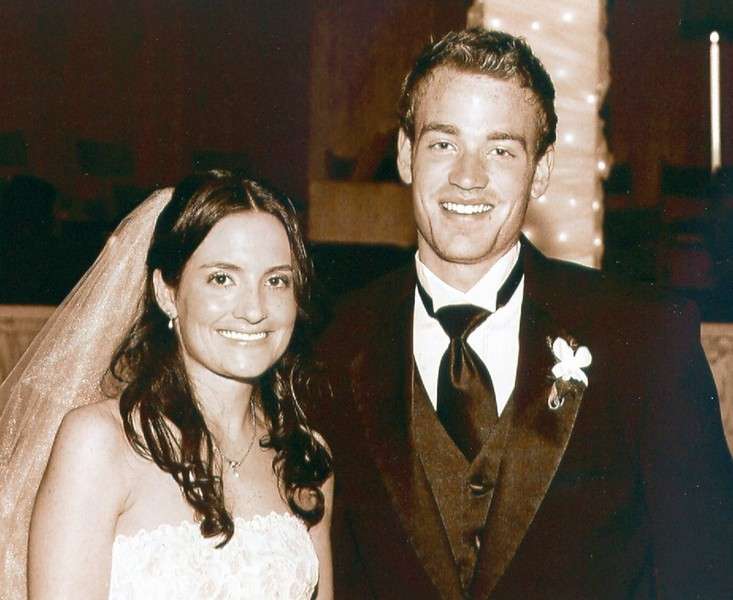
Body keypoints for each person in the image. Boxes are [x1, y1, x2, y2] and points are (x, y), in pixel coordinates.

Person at [312, 28, 733, 599]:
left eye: (501, 150)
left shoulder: (647, 338)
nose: (468, 177)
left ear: (541, 170)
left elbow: (708, 575)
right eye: (443, 144)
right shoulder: (333, 345)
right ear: (406, 155)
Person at [0, 170, 333, 599]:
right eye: (222, 278)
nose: (254, 309)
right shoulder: (100, 443)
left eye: (276, 280)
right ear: (167, 292)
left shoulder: (306, 457)